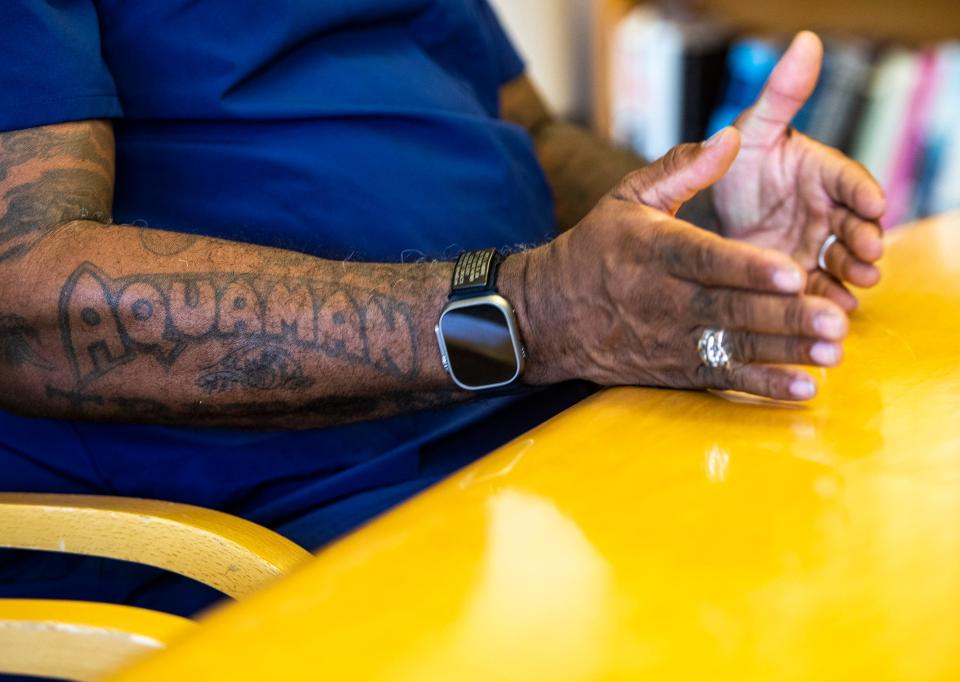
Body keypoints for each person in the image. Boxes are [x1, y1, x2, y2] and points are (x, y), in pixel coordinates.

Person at [0, 0, 883, 626]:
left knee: (859, 544)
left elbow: (532, 136)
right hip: (268, 513)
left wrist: (708, 226)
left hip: (531, 418)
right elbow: (24, 298)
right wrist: (525, 316)